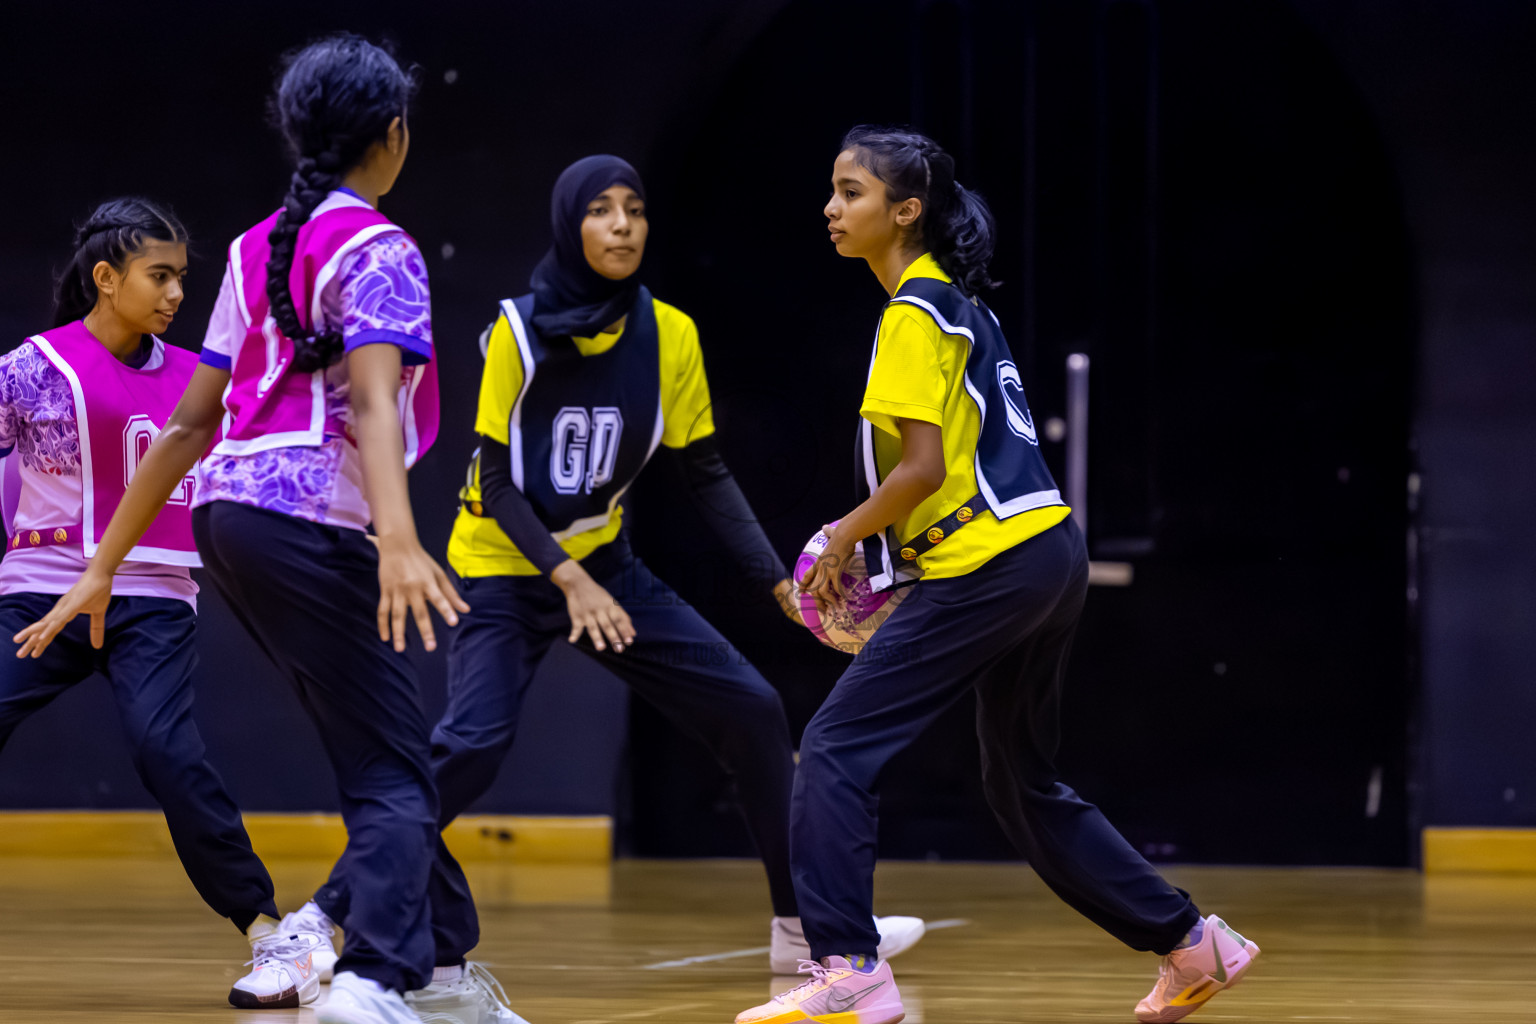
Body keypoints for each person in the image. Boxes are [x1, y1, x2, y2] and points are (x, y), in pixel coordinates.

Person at [15, 35, 522, 1024]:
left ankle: (449, 973)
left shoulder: (257, 247)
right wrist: (400, 535)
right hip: (306, 523)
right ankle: (375, 977)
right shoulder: (381, 248)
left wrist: (98, 567)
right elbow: (375, 405)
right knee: (393, 770)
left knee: (383, 753)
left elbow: (189, 428)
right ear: (393, 134)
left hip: (227, 521)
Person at [735, 126, 1260, 1024]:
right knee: (1021, 781)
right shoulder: (961, 307)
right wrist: (878, 542)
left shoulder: (911, 313)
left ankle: (849, 967)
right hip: (1048, 554)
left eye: (851, 191)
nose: (831, 207)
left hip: (993, 565)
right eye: (831, 189)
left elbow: (921, 472)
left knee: (831, 749)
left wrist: (839, 541)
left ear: (906, 211)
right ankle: (1191, 941)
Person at [439, 154, 924, 973]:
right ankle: (325, 915)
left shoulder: (670, 335)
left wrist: (776, 578)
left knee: (752, 708)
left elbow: (703, 470)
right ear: (571, 225)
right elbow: (493, 480)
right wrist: (567, 579)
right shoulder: (514, 332)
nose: (623, 224)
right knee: (473, 745)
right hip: (506, 566)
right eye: (602, 210)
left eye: (634, 208)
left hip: (606, 564)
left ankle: (801, 927)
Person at [0, 197, 319, 1009]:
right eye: (161, 275)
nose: (178, 292)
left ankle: (266, 932)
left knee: (166, 752)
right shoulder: (31, 367)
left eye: (183, 276)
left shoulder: (199, 379)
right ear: (107, 279)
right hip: (44, 595)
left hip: (152, 598)